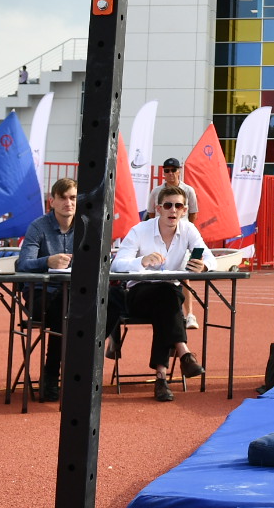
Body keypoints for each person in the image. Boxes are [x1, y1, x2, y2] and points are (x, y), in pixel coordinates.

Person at [107, 185, 213, 402]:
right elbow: (117, 264)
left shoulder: (189, 230)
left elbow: (209, 257)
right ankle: (183, 352)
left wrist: (203, 266)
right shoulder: (140, 230)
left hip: (167, 298)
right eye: (168, 205)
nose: (173, 210)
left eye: (178, 206)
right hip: (137, 295)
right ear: (158, 208)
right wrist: (141, 261)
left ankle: (161, 378)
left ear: (184, 210)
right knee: (170, 297)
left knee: (167, 302)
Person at [17, 177, 78, 402]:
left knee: (103, 303)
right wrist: (48, 261)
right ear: (52, 201)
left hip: (74, 296)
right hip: (40, 294)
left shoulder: (85, 227)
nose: (68, 203)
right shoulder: (38, 226)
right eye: (63, 198)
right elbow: (22, 264)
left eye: (73, 198)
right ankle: (55, 375)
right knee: (66, 312)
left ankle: (67, 375)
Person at [158, 157, 201, 327]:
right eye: (166, 170)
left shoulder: (189, 190)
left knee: (185, 274)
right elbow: (151, 214)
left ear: (179, 171)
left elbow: (194, 213)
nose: (170, 173)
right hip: (162, 239)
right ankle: (164, 312)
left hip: (182, 238)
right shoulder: (156, 192)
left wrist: (186, 230)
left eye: (173, 170)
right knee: (160, 275)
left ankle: (190, 314)